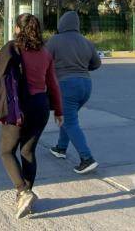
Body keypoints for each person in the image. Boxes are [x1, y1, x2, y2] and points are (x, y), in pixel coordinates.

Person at [0, 13, 63, 219]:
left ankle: (23, 191)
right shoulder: (45, 53)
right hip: (40, 106)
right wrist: (59, 111)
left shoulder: (12, 47)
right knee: (28, 151)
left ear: (18, 28)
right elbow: (53, 84)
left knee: (6, 151)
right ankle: (25, 199)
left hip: (18, 107)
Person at [46, 11, 102, 174]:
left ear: (61, 24)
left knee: (69, 122)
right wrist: (82, 68)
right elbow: (96, 64)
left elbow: (44, 60)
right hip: (86, 85)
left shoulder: (55, 40)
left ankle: (87, 158)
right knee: (69, 117)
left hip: (66, 85)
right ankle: (61, 148)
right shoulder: (86, 42)